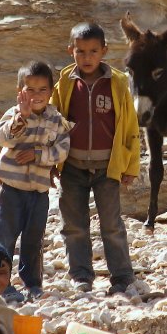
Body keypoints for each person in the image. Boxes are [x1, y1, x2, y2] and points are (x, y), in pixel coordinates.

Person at [50, 22, 141, 297]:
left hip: (107, 167)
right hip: (73, 167)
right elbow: (53, 123)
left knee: (112, 224)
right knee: (74, 225)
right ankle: (81, 275)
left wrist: (131, 166)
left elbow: (129, 128)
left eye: (92, 51)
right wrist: (52, 162)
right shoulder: (65, 83)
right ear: (70, 51)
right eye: (80, 51)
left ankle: (122, 277)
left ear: (104, 51)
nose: (87, 57)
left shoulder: (117, 83)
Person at [0, 60, 71, 304]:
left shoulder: (56, 120)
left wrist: (39, 155)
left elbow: (62, 150)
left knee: (34, 238)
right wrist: (22, 118)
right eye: (31, 90)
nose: (37, 95)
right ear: (20, 92)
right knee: (5, 236)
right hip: (12, 189)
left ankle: (32, 283)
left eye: (43, 90)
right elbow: (3, 139)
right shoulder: (13, 114)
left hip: (39, 191)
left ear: (51, 91)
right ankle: (0, 283)